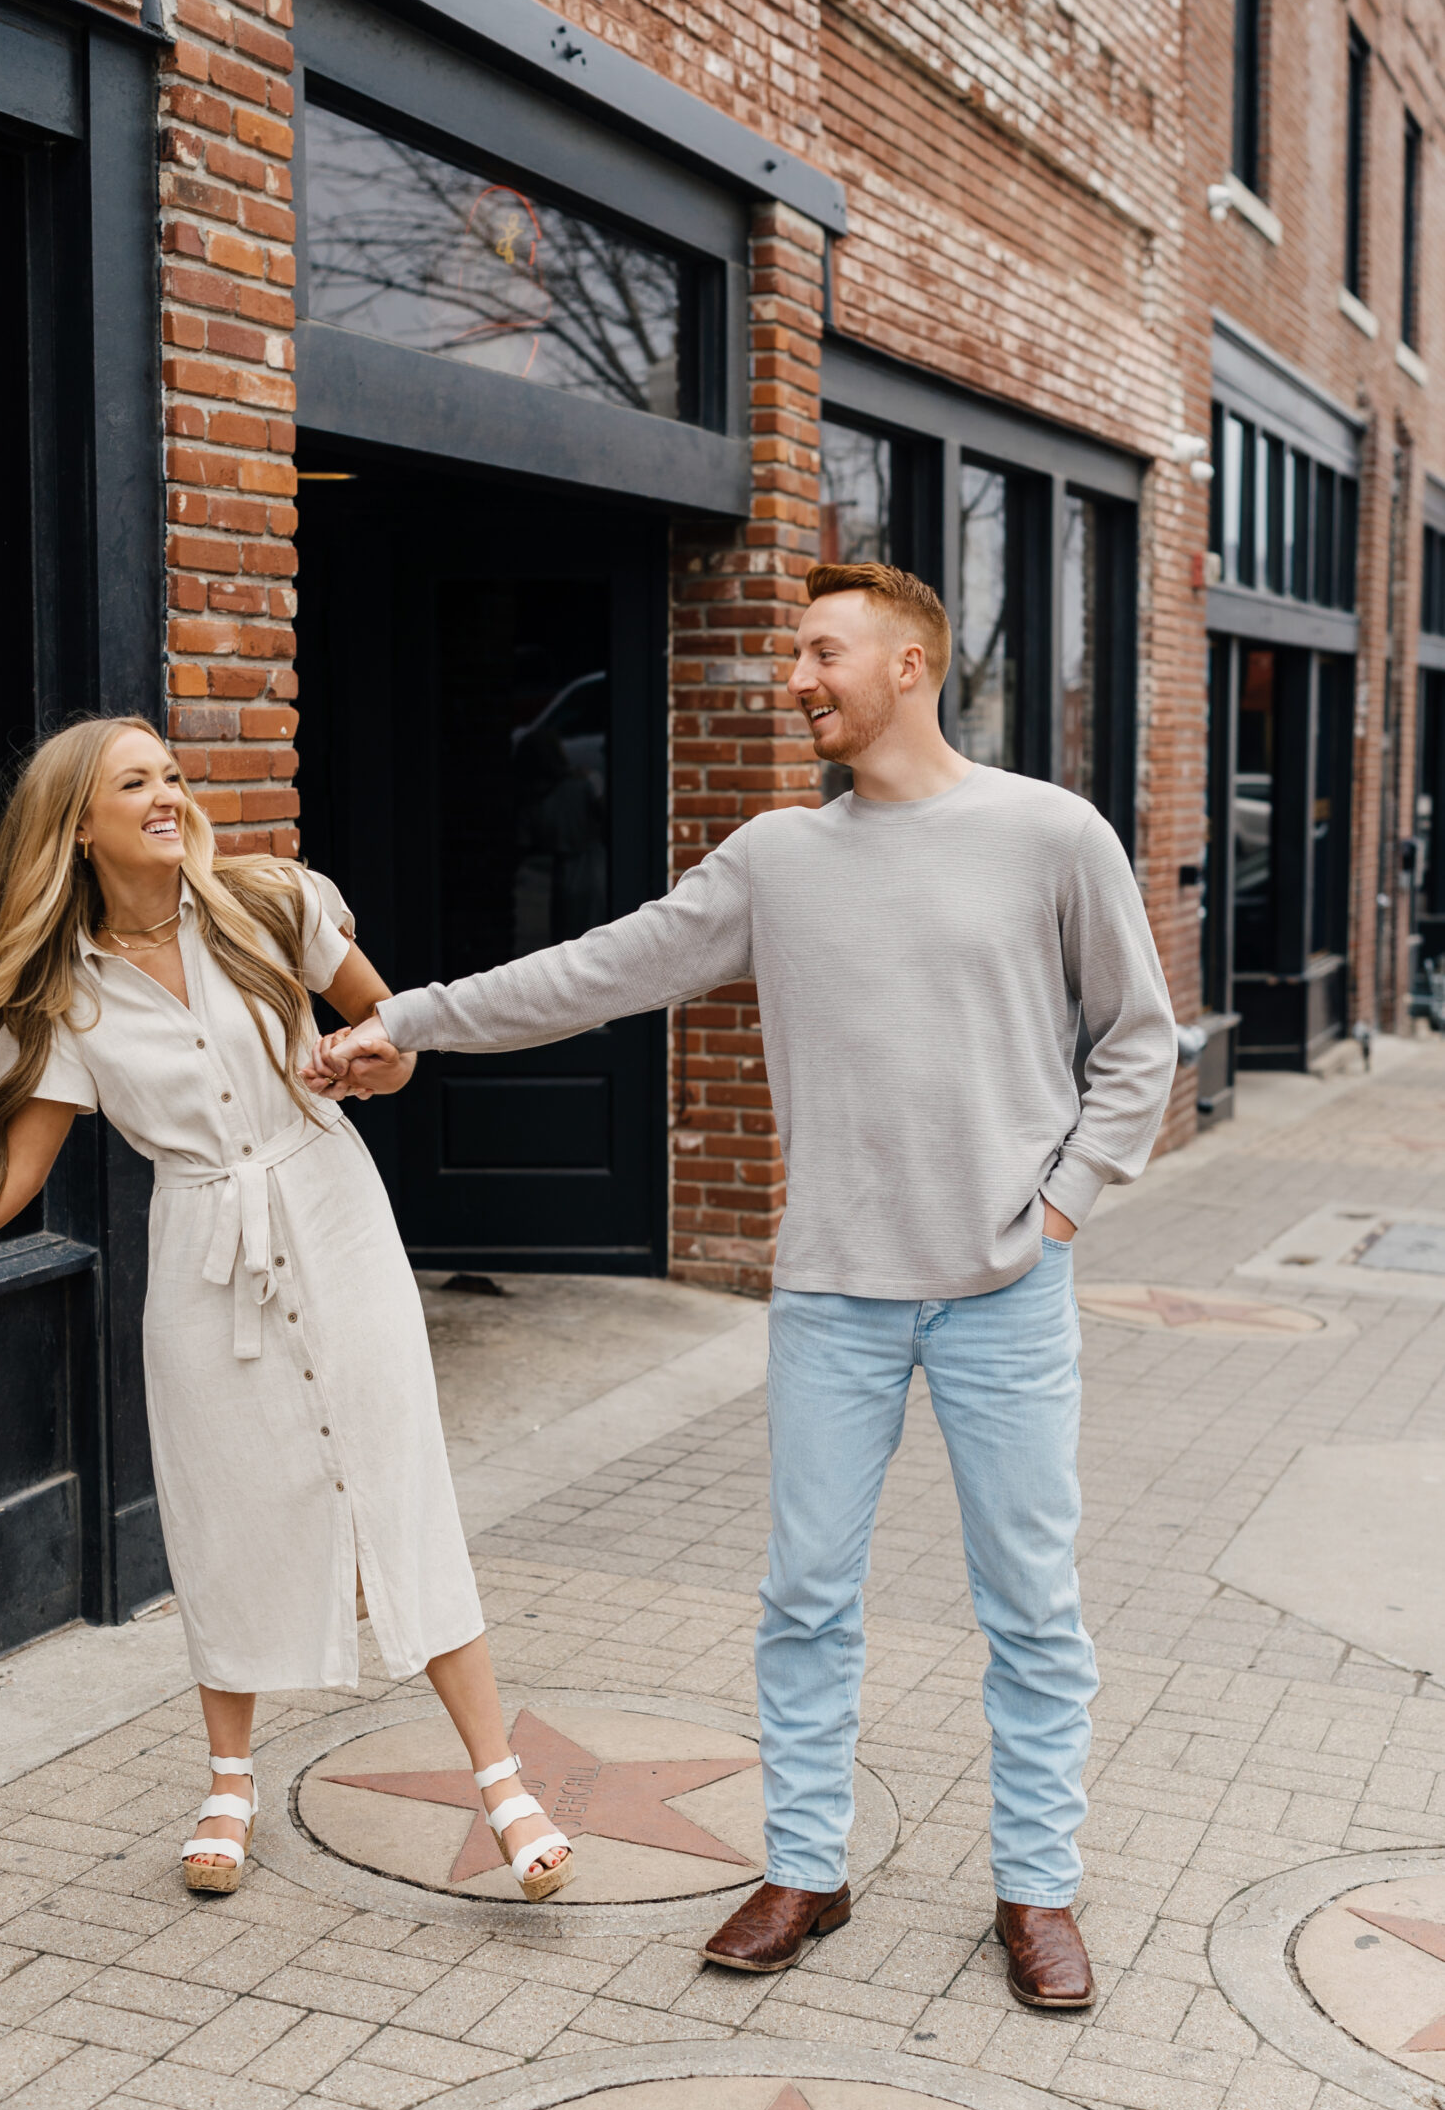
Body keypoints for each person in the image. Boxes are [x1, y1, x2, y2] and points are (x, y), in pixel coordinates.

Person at [312, 561, 1177, 2005]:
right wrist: (400, 1018)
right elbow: (597, 969)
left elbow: (1135, 1042)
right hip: (832, 1294)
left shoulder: (1047, 834)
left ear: (908, 665)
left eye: (820, 652)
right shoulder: (776, 860)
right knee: (803, 1600)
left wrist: (1064, 1210)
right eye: (790, 654)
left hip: (1001, 1294)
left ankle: (1036, 1889)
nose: (795, 678)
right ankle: (804, 1869)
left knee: (1029, 1606)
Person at [0, 716, 574, 1906]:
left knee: (398, 1476)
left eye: (172, 775)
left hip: (334, 1216)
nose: (167, 796)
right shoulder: (61, 993)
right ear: (79, 825)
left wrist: (372, 1057)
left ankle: (501, 1778)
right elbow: (6, 1183)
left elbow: (391, 1030)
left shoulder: (271, 903)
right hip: (205, 1248)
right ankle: (228, 1776)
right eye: (135, 783)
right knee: (225, 1502)